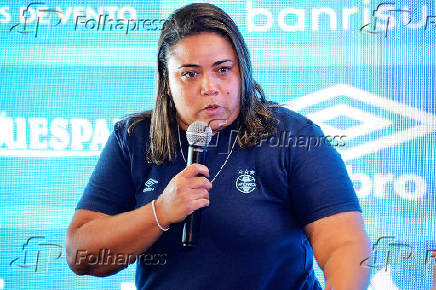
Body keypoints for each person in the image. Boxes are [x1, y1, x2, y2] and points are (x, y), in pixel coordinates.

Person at [66, 3, 370, 289]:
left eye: (222, 69)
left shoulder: (292, 136)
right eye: (190, 74)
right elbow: (81, 255)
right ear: (167, 82)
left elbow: (345, 244)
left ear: (242, 71)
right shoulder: (133, 138)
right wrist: (159, 212)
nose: (209, 87)